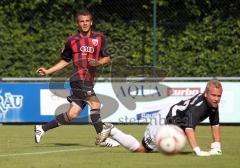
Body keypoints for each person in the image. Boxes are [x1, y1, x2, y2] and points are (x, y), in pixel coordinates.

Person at [35, 9, 119, 146]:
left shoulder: (100, 38)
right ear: (77, 24)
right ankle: (101, 138)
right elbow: (64, 60)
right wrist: (48, 71)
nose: (85, 24)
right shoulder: (71, 41)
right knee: (95, 104)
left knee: (72, 114)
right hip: (79, 79)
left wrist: (99, 62)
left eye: (87, 21)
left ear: (91, 22)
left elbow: (107, 58)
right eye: (82, 21)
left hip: (89, 80)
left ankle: (41, 128)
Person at [107, 80, 223, 156]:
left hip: (175, 124)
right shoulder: (198, 107)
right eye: (213, 95)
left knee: (171, 150)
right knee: (142, 149)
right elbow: (189, 128)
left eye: (219, 96)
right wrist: (197, 150)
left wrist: (216, 146)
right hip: (163, 121)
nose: (216, 99)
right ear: (205, 94)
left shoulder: (213, 104)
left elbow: (215, 124)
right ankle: (112, 130)